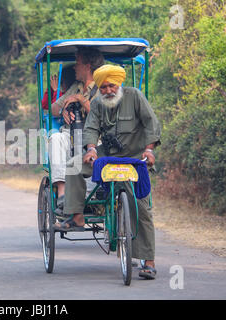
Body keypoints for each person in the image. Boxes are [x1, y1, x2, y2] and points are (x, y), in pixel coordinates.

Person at [56, 64, 161, 279]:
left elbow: (152, 123)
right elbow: (91, 128)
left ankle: (148, 262)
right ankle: (76, 215)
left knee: (142, 207)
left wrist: (149, 150)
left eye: (111, 86)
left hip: (135, 159)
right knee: (74, 164)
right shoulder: (97, 104)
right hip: (108, 156)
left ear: (119, 84)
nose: (108, 91)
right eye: (103, 87)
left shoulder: (135, 96)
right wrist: (91, 149)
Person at [47, 47, 105, 210]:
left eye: (77, 62)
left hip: (94, 136)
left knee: (93, 148)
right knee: (56, 139)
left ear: (87, 66)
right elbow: (52, 109)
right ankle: (62, 194)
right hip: (71, 134)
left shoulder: (103, 87)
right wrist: (64, 109)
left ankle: (90, 195)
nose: (74, 67)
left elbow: (102, 116)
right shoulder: (76, 86)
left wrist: (81, 100)